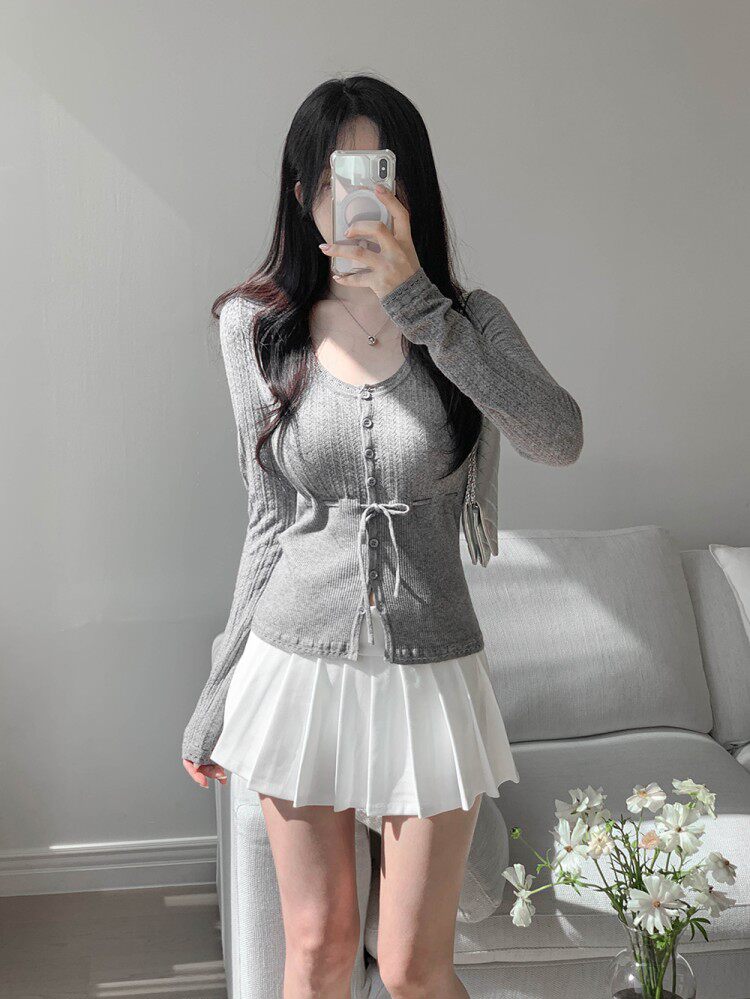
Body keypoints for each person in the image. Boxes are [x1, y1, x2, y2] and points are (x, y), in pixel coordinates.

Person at [181, 74, 583, 999]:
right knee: (318, 950)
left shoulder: (468, 322)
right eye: (332, 176)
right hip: (294, 664)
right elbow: (269, 521)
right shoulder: (256, 328)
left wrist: (421, 309)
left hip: (431, 669)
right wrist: (218, 688)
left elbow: (558, 437)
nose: (352, 197)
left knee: (411, 967)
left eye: (375, 172)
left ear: (410, 187)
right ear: (301, 193)